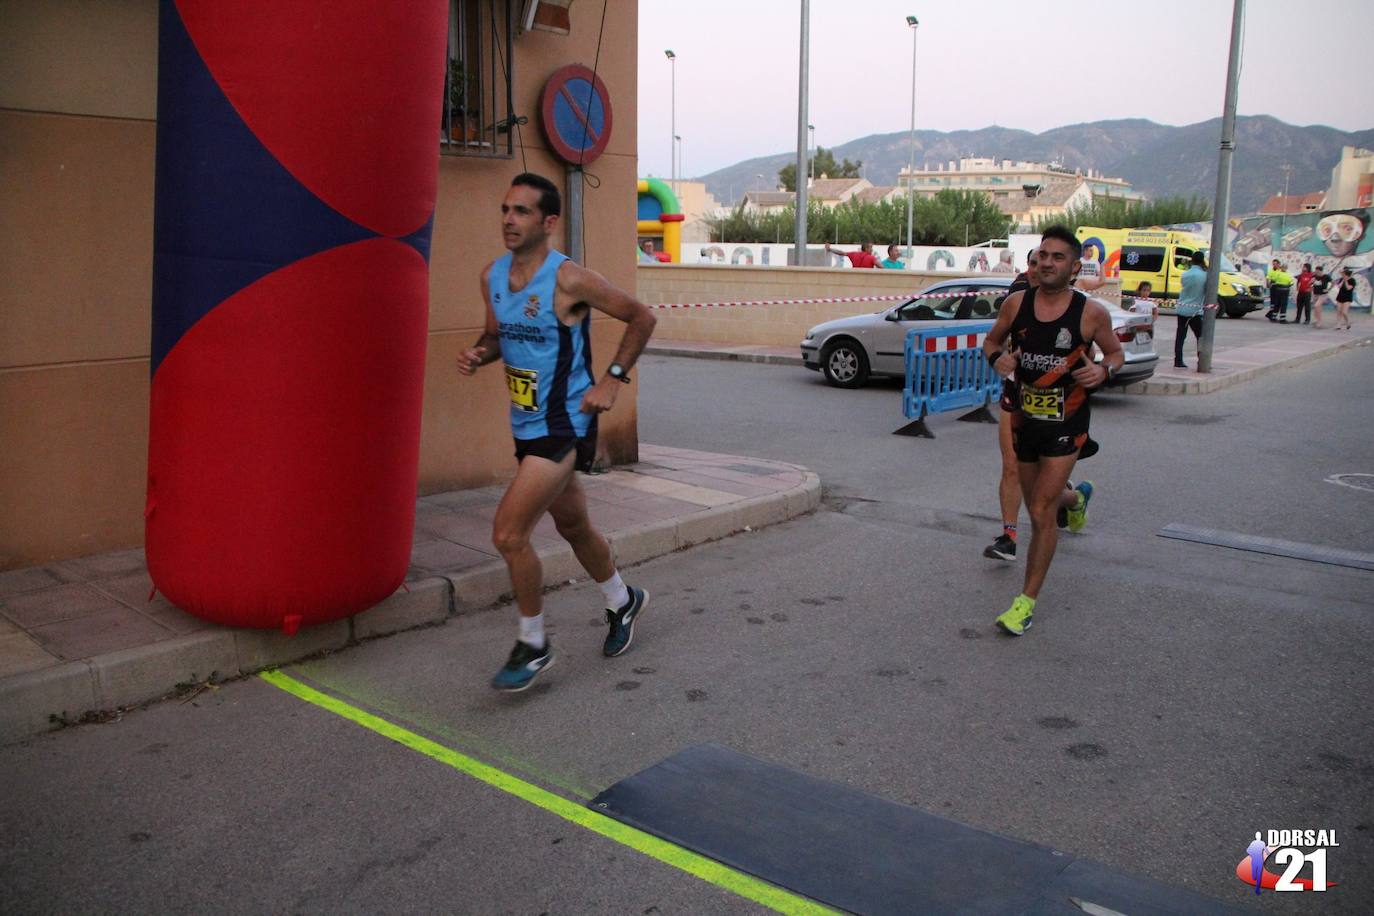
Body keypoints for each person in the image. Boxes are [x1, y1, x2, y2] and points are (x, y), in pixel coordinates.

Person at [456, 173, 657, 691]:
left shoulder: (569, 279)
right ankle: (622, 599)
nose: (508, 219)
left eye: (521, 211)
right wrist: (482, 352)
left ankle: (533, 643)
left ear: (548, 222)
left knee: (508, 533)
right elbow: (497, 336)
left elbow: (641, 317)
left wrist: (612, 381)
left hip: (565, 423)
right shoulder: (492, 277)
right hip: (525, 423)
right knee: (573, 526)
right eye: (505, 209)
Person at [982, 225, 1124, 635]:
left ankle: (1024, 603)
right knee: (1038, 501)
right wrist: (998, 361)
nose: (1046, 262)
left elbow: (1115, 353)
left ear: (1075, 266)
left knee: (1040, 512)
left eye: (1057, 257)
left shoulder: (1090, 312)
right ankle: (1075, 499)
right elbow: (991, 343)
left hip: (1068, 423)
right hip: (1026, 418)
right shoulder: (1015, 304)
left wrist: (1104, 370)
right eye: (1042, 255)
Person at [1174, 251, 1206, 368]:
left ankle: (1178, 360)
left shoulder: (1185, 274)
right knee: (1201, 337)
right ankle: (1202, 360)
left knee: (1180, 336)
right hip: (1195, 311)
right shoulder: (1204, 275)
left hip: (1182, 308)